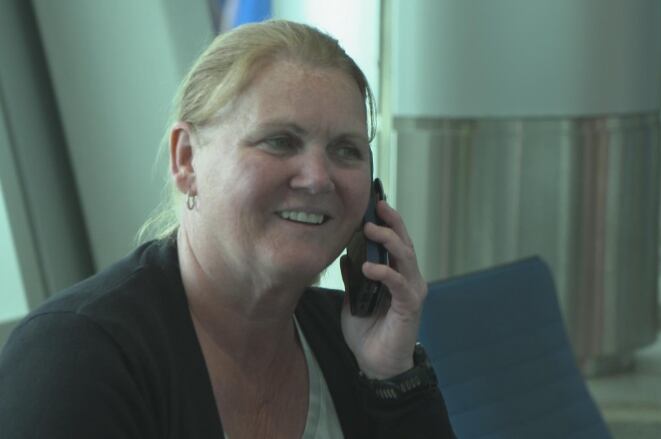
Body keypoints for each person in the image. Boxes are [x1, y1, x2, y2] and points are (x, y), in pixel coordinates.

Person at [0, 20, 454, 438]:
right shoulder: (76, 359)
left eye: (346, 150)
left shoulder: (348, 341)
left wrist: (391, 377)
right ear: (186, 160)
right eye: (280, 141)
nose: (318, 178)